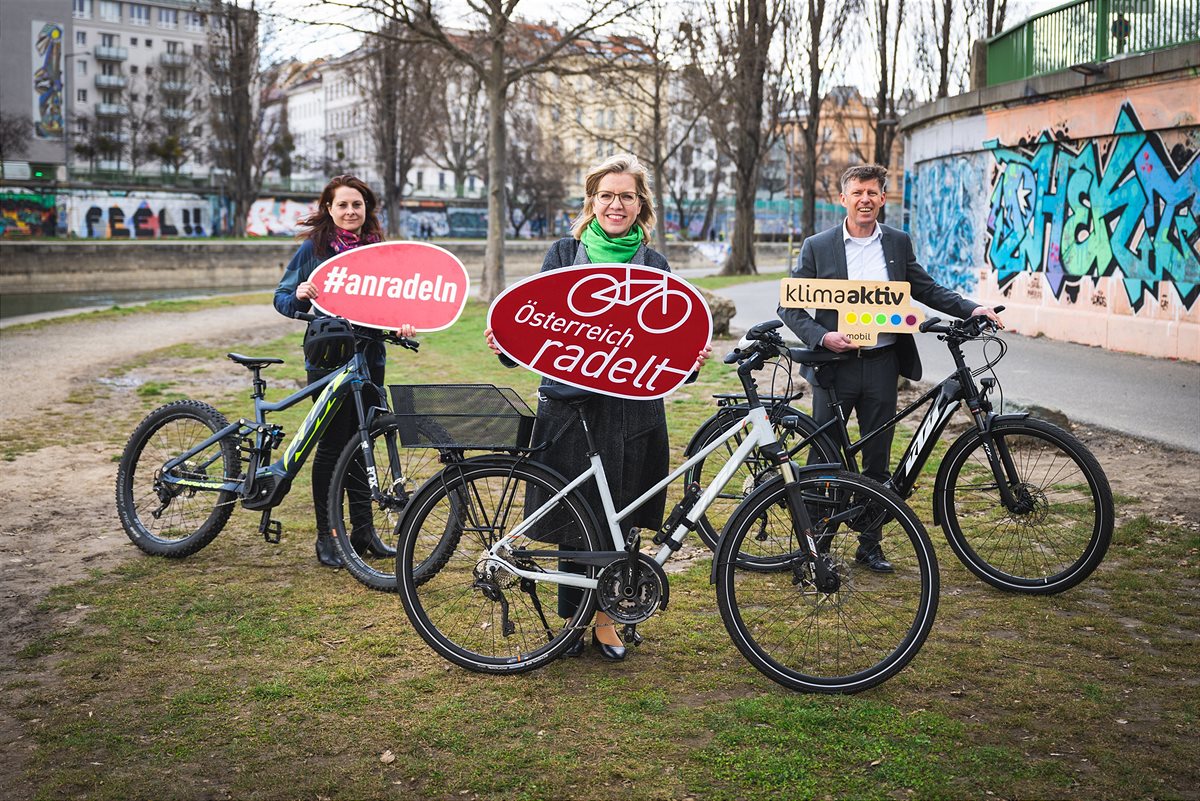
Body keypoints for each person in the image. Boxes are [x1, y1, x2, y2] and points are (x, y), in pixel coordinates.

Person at [486, 154, 710, 661]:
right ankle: (574, 619)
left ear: (641, 205)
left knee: (624, 514)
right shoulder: (564, 254)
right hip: (571, 409)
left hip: (633, 411)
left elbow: (671, 344)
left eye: (626, 196)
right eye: (607, 195)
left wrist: (691, 360)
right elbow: (533, 326)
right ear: (592, 201)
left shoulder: (654, 265)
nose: (616, 204)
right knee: (575, 515)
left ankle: (608, 618)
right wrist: (505, 343)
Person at [778, 164, 1002, 572]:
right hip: (834, 367)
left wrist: (974, 307)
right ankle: (812, 549)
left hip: (882, 365)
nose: (865, 199)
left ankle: (870, 543)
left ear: (883, 199)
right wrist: (822, 337)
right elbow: (790, 306)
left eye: (873, 193)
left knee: (878, 459)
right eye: (857, 192)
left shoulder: (897, 242)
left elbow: (927, 288)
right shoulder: (818, 245)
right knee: (823, 457)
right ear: (843, 199)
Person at [274, 174, 415, 568]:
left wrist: (403, 321)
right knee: (334, 446)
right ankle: (328, 535)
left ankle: (363, 531)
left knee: (363, 442)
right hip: (327, 360)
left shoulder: (380, 254)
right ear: (329, 209)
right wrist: (300, 295)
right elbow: (282, 298)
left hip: (369, 360)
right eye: (342, 205)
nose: (350, 211)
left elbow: (393, 302)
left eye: (357, 204)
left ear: (366, 209)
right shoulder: (314, 250)